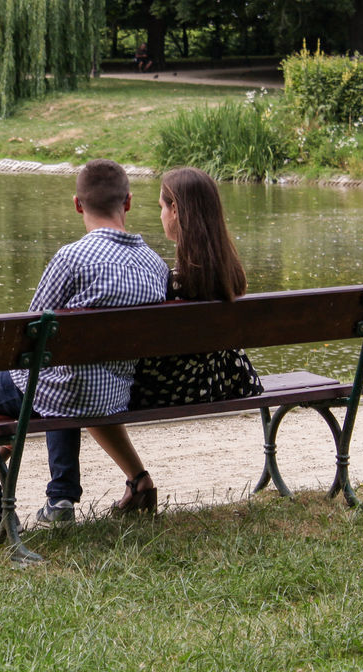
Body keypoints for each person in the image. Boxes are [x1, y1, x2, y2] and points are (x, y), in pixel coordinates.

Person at [0, 160, 169, 536]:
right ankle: (61, 498)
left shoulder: (71, 258)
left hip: (65, 389)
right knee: (63, 372)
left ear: (77, 204)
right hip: (113, 394)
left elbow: (28, 334)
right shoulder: (154, 264)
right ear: (129, 203)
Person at [88, 166, 263, 513]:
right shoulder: (230, 273)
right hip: (225, 382)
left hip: (175, 389)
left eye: (162, 207)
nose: (161, 214)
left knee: (90, 389)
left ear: (177, 210)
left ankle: (134, 480)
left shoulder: (176, 281)